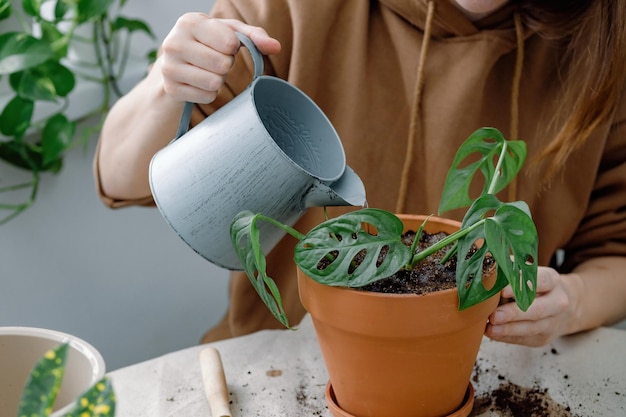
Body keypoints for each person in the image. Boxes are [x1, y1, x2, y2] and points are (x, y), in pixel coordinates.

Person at [94, 0, 626, 347]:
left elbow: (616, 252)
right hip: (282, 365)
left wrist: (573, 301)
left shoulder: (603, 44)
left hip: (483, 370)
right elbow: (122, 180)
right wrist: (169, 86)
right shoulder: (294, 9)